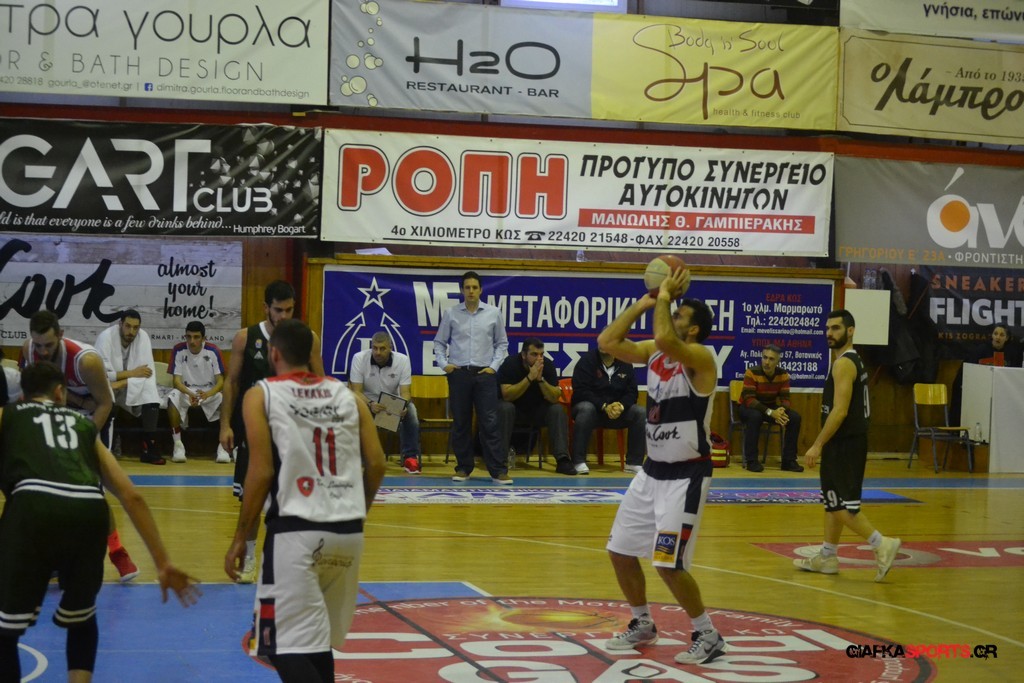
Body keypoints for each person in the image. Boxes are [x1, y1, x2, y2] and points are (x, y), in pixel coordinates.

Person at [0, 362, 200, 683]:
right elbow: (131, 496)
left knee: (5, 631)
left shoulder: (8, 415)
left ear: (22, 395)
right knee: (82, 620)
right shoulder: (83, 426)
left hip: (33, 508)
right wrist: (162, 562)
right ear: (60, 393)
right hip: (89, 513)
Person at [224, 320, 385, 683]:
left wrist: (240, 537)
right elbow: (377, 464)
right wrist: (357, 513)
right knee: (315, 642)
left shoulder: (261, 395)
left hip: (295, 532)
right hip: (348, 531)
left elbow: (260, 473)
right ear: (313, 355)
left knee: (275, 643)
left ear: (273, 354)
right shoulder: (349, 397)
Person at [597, 266, 727, 666]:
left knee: (668, 564)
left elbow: (667, 338)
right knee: (619, 551)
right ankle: (642, 622)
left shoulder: (701, 357)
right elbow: (607, 341)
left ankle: (707, 633)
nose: (671, 315)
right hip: (651, 471)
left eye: (679, 315)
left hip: (686, 475)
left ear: (693, 329)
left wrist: (667, 293)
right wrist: (645, 302)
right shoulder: (656, 352)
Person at [20, 310, 141, 582]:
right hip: (57, 414)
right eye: (38, 345)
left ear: (61, 336)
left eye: (48, 345)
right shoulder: (29, 350)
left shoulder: (85, 360)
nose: (43, 351)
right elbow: (34, 394)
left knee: (91, 492)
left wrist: (81, 440)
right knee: (49, 491)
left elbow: (105, 403)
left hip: (92, 418)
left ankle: (117, 552)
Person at [219, 280, 325, 584]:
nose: (284, 316)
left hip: (294, 432)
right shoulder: (246, 338)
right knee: (251, 500)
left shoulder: (308, 339)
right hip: (255, 433)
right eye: (278, 310)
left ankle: (294, 559)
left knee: (297, 499)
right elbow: (231, 382)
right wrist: (225, 425)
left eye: (289, 310)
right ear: (266, 308)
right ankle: (250, 557)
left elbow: (320, 382)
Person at [794, 309, 901, 582]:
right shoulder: (853, 359)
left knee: (840, 504)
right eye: (828, 328)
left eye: (836, 328)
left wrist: (817, 444)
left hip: (844, 443)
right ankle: (828, 556)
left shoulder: (843, 364)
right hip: (850, 441)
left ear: (850, 331)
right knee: (833, 501)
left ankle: (881, 543)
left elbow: (840, 411)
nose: (829, 333)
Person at [433, 271, 511, 484]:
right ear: (461, 290)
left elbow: (502, 344)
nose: (471, 291)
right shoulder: (451, 313)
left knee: (490, 423)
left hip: (485, 375)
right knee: (461, 423)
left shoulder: (493, 313)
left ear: (481, 290)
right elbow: (439, 342)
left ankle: (498, 471)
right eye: (467, 287)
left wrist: (493, 367)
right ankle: (463, 468)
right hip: (459, 374)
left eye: (474, 287)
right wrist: (444, 365)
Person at [94, 309, 165, 465]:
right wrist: (132, 374)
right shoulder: (105, 337)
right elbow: (102, 374)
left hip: (128, 384)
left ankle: (149, 446)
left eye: (135, 327)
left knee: (151, 393)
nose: (131, 331)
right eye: (128, 326)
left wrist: (122, 382)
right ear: (120, 324)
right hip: (108, 385)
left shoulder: (143, 337)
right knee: (108, 393)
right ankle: (106, 445)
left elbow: (146, 372)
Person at [497, 337, 575, 476]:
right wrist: (529, 378)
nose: (539, 358)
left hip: (537, 411)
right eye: (534, 354)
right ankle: (499, 460)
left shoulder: (547, 365)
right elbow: (507, 395)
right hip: (514, 410)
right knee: (505, 408)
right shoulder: (510, 364)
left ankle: (563, 459)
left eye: (541, 354)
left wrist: (540, 380)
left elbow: (554, 397)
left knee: (557, 410)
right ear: (523, 355)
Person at [349, 331, 422, 474]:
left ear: (390, 348)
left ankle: (410, 458)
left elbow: (406, 392)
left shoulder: (402, 360)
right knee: (353, 408)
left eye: (382, 348)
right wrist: (370, 403)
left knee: (411, 412)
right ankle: (361, 457)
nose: (378, 352)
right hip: (367, 401)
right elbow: (356, 391)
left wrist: (403, 405)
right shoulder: (359, 358)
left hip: (392, 402)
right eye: (375, 348)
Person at [570, 345, 646, 475]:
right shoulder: (587, 361)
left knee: (640, 412)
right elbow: (581, 391)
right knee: (586, 408)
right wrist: (604, 406)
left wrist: (620, 406)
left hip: (615, 413)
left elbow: (632, 392)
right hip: (593, 411)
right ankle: (578, 461)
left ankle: (633, 463)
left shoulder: (625, 363)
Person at [166, 321, 231, 464]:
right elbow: (176, 381)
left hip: (208, 392)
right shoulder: (178, 349)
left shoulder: (213, 351)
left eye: (196, 337)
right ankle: (178, 445)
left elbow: (220, 381)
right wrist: (190, 394)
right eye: (188, 337)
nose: (192, 341)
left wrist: (207, 394)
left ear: (204, 338)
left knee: (226, 399)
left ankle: (223, 447)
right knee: (172, 397)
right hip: (186, 391)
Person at [739, 344, 804, 473]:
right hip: (748, 407)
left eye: (771, 359)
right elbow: (749, 400)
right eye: (765, 357)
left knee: (795, 418)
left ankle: (788, 460)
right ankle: (751, 461)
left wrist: (781, 411)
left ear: (778, 361)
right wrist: (771, 412)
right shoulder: (751, 372)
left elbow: (785, 399)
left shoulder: (783, 375)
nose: (767, 362)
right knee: (755, 417)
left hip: (770, 407)